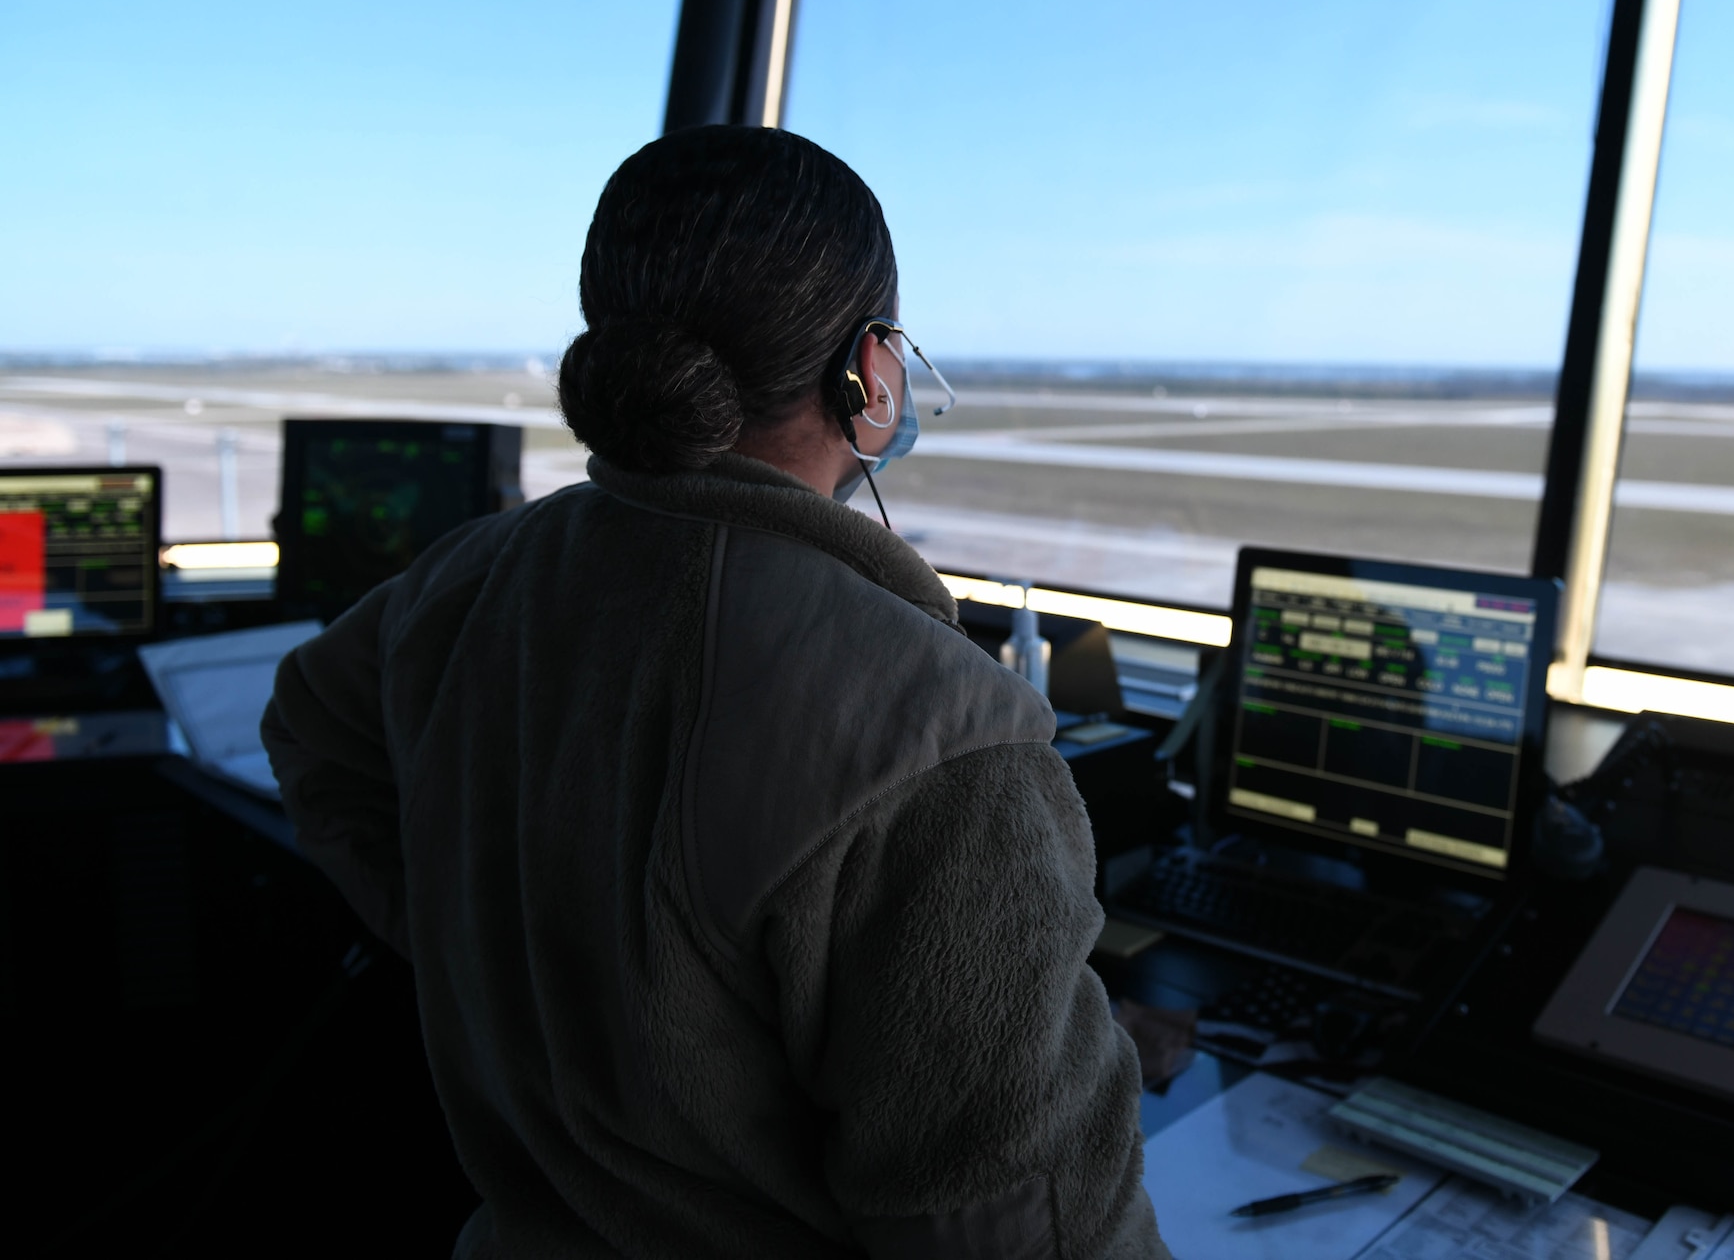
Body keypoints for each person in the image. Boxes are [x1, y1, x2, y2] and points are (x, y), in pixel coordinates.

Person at [261, 125, 1167, 1259]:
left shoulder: (471, 576)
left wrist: (493, 965)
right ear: (869, 371)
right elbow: (1021, 1233)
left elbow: (309, 727)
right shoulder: (935, 732)